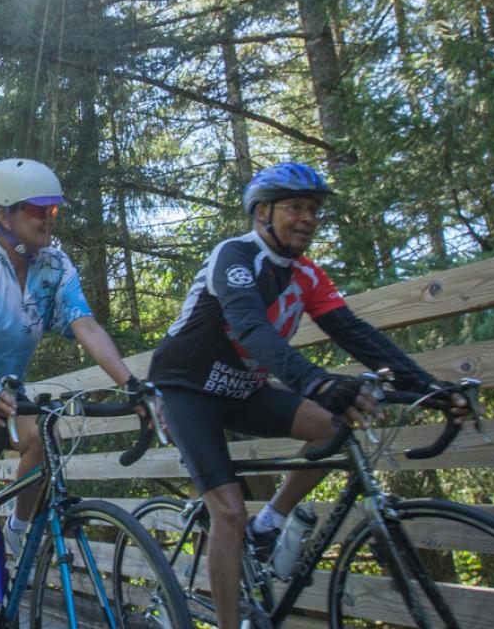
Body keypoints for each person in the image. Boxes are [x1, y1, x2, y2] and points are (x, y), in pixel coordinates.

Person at [145, 162, 466, 628]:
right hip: (186, 390)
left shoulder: (307, 274)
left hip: (244, 390)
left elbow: (352, 331)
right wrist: (316, 382)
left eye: (313, 210)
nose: (307, 218)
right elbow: (253, 329)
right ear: (261, 213)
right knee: (228, 513)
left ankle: (271, 522)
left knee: (331, 428)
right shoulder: (234, 256)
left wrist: (427, 386)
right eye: (294, 207)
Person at [0, 157, 147, 629]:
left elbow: (84, 324)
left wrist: (132, 383)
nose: (48, 218)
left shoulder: (55, 267)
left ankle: (18, 533)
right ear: (2, 216)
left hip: (5, 392)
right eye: (37, 208)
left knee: (41, 439)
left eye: (53, 210)